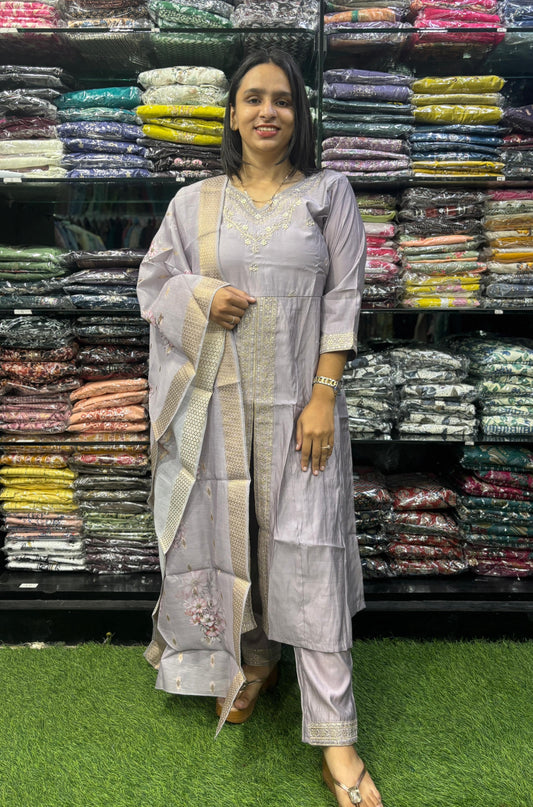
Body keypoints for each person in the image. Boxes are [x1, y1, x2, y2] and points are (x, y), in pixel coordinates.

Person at [137, 47, 383, 807]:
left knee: (307, 553)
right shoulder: (194, 202)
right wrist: (201, 295)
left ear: (298, 114)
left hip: (301, 410)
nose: (267, 111)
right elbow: (154, 284)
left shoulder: (328, 193)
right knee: (227, 533)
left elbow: (344, 296)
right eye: (253, 98)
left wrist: (323, 395)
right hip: (215, 407)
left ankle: (336, 735)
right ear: (233, 113)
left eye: (281, 99)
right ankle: (251, 661)